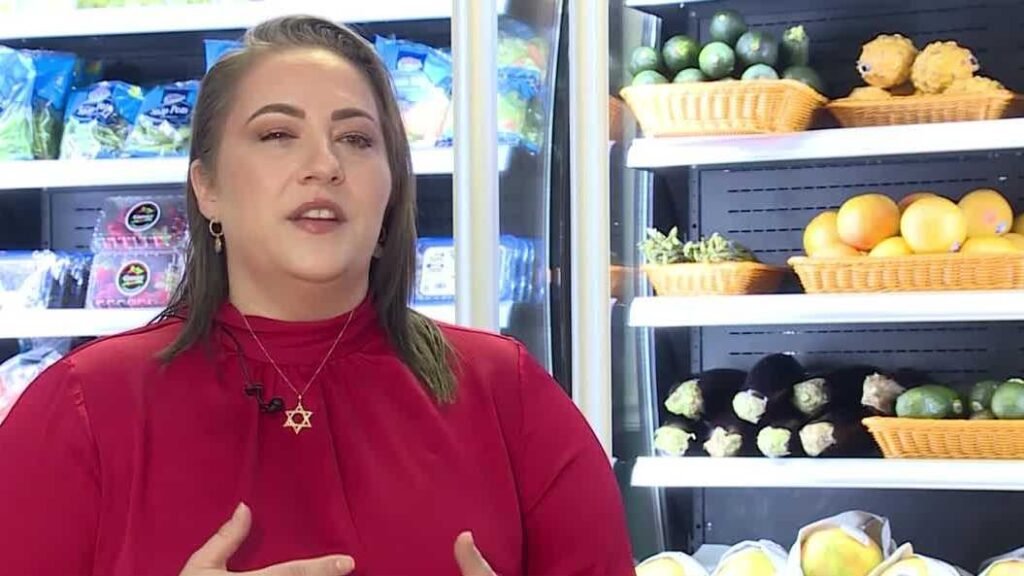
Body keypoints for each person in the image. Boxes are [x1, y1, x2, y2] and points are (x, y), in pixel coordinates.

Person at [0, 15, 634, 576]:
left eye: (356, 139)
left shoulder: (508, 395)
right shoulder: (81, 411)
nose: (325, 165)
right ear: (207, 187)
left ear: (391, 189)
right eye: (278, 134)